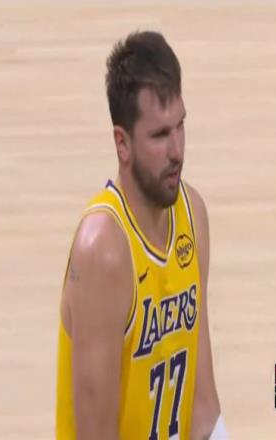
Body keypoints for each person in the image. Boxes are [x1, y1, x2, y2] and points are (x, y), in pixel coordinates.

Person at [56, 30, 227, 440]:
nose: (177, 151)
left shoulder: (193, 215)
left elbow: (202, 402)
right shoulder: (103, 252)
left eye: (180, 126)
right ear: (122, 143)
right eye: (159, 135)